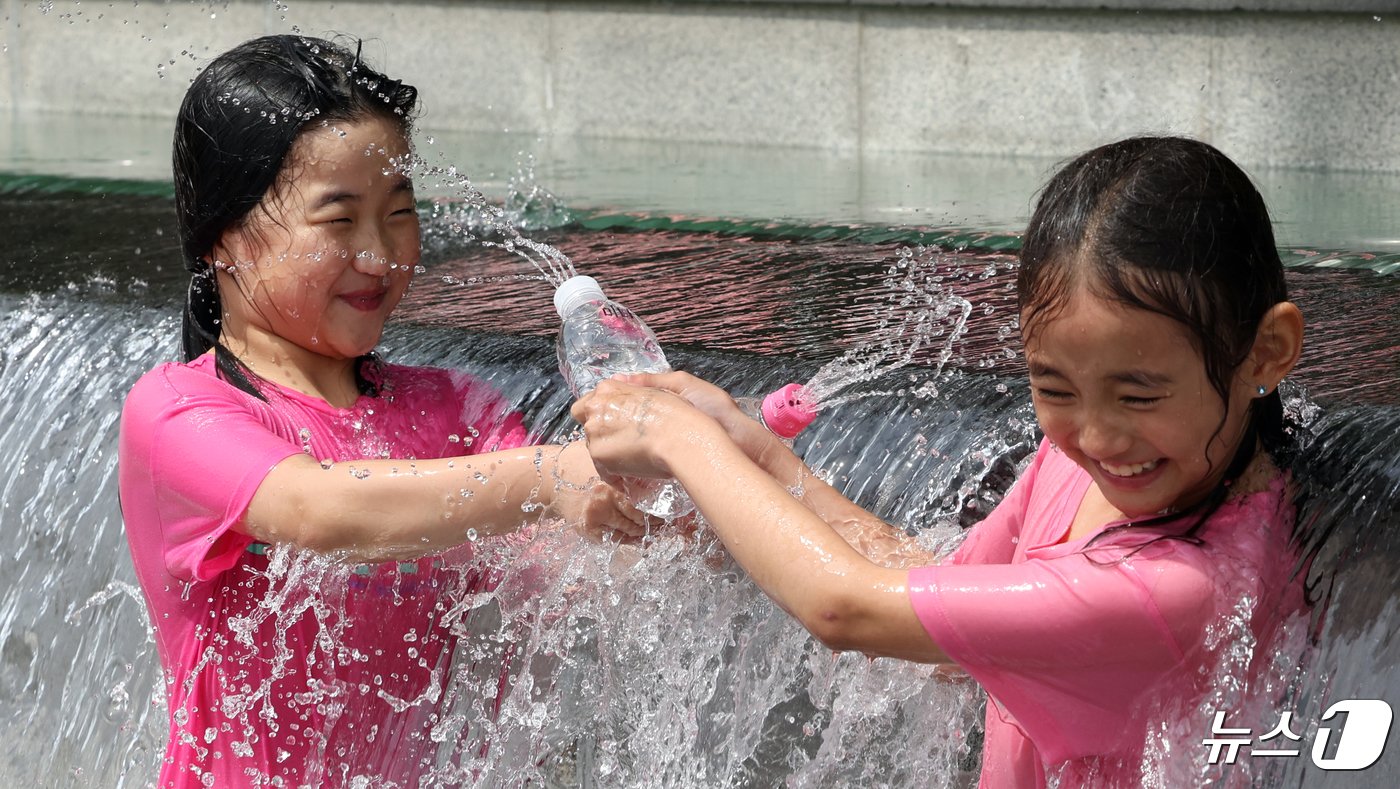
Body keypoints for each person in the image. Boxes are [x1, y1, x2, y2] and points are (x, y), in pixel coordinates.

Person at [571, 136, 1308, 787]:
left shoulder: (1184, 588)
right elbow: (929, 592)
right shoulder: (1080, 463)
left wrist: (683, 442)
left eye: (1139, 394)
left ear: (1267, 351)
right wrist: (752, 445)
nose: (1098, 433)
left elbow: (848, 606)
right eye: (1054, 387)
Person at [118, 35, 642, 788]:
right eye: (339, 220)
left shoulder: (459, 412)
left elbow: (567, 579)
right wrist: (549, 474)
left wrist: (670, 498)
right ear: (224, 239)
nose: (380, 253)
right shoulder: (181, 412)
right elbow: (318, 508)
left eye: (399, 213)